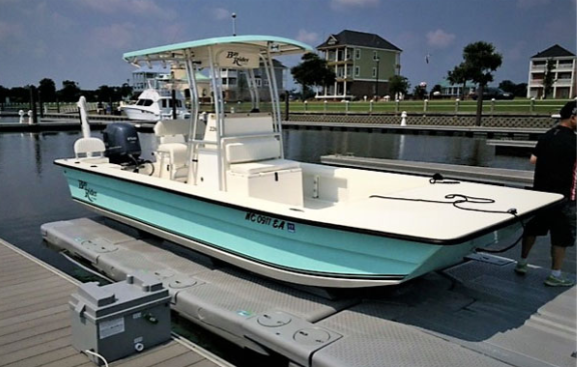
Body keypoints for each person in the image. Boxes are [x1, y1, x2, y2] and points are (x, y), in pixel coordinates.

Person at [515, 100, 576, 286]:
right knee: (561, 235)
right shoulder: (574, 141)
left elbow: (533, 159)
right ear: (573, 118)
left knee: (532, 228)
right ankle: (555, 275)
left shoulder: (547, 136)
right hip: (565, 196)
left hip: (541, 195)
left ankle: (522, 263)